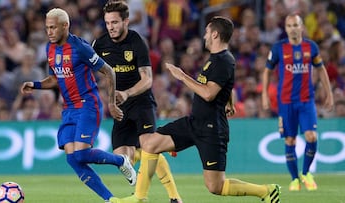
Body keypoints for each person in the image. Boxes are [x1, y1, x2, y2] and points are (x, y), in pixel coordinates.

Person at [112, 16, 280, 203]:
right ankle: (139, 197)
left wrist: (182, 76)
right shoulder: (216, 59)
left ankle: (265, 191)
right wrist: (229, 101)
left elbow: (208, 93)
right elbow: (226, 83)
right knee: (150, 144)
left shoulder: (223, 60)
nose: (205, 35)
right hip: (195, 122)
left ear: (215, 34)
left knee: (216, 186)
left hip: (211, 130)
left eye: (207, 31)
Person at [20, 8, 137, 203]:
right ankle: (110, 199)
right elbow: (57, 78)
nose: (49, 32)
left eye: (53, 28)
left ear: (65, 26)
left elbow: (109, 71)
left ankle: (121, 161)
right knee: (73, 159)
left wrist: (111, 104)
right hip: (69, 109)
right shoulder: (50, 48)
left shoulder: (79, 47)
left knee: (81, 153)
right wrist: (36, 85)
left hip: (87, 105)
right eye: (47, 28)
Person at [92, 1, 182, 203]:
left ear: (126, 21)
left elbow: (147, 79)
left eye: (115, 22)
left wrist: (127, 93)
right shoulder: (100, 45)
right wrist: (112, 102)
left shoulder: (137, 42)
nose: (111, 27)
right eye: (107, 23)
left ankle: (173, 197)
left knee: (149, 145)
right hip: (120, 106)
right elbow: (106, 77)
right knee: (124, 160)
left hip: (141, 102)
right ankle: (161, 145)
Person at [262, 14, 334, 191]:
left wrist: (329, 93)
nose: (292, 28)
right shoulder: (279, 48)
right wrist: (264, 94)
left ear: (301, 26)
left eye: (295, 25)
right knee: (290, 140)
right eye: (289, 25)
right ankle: (294, 179)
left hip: (306, 100)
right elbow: (267, 71)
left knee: (311, 136)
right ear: (285, 28)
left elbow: (321, 69)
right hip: (285, 102)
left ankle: (306, 172)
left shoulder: (311, 47)